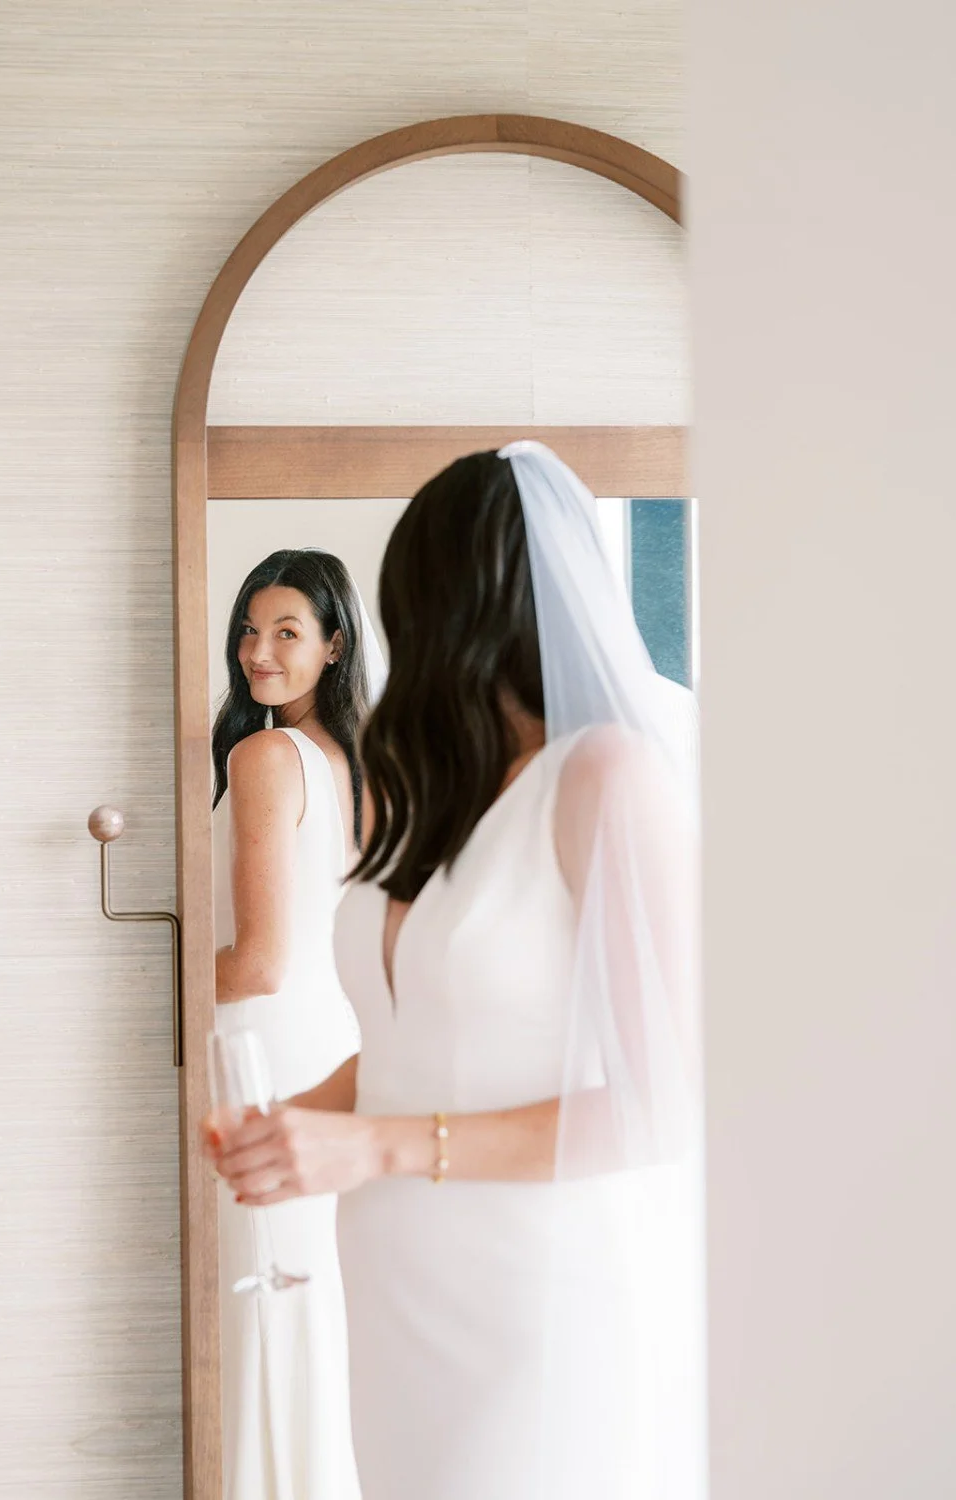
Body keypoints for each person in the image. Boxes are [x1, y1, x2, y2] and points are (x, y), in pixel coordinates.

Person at [208, 447, 706, 1500]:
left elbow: (667, 1102)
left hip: (532, 1300)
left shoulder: (608, 774)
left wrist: (372, 1144)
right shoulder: (450, 787)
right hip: (395, 1301)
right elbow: (416, 1039)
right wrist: (295, 1123)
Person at [210, 548, 380, 1500]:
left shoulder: (268, 755)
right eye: (248, 628)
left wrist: (160, 986)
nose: (257, 653)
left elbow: (260, 959)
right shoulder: (360, 760)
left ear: (334, 646)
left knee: (267, 1293)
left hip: (265, 1045)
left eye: (286, 633)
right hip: (332, 1038)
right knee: (307, 1292)